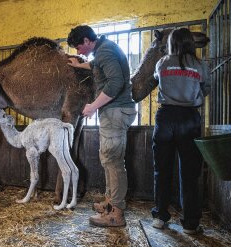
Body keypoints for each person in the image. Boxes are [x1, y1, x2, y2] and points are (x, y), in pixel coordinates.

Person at [67, 25, 136, 227]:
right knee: (108, 158)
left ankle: (116, 213)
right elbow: (98, 66)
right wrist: (81, 65)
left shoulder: (105, 50)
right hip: (114, 111)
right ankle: (110, 202)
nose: (78, 52)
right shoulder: (104, 50)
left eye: (79, 47)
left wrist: (92, 106)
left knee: (113, 160)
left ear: (87, 41)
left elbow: (115, 83)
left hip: (115, 111)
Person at [150, 28, 211, 234]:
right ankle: (191, 223)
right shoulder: (201, 65)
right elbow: (206, 89)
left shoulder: (162, 63)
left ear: (171, 43)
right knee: (190, 173)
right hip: (189, 118)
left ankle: (160, 216)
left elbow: (157, 80)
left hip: (166, 117)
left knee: (162, 169)